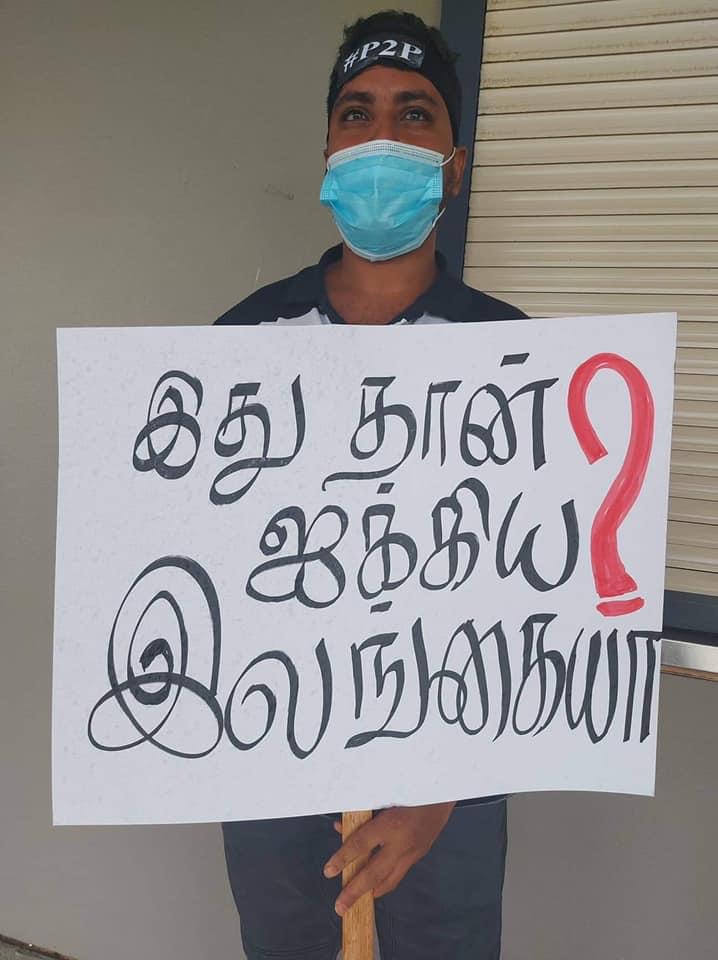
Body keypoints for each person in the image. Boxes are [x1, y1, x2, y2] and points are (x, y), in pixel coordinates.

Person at [216, 10, 527, 960]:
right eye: (358, 114)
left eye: (414, 114)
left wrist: (440, 792)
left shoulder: (518, 358)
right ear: (328, 155)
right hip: (271, 751)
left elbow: (533, 601)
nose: (382, 137)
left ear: (454, 167)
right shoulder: (237, 345)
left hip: (454, 777)